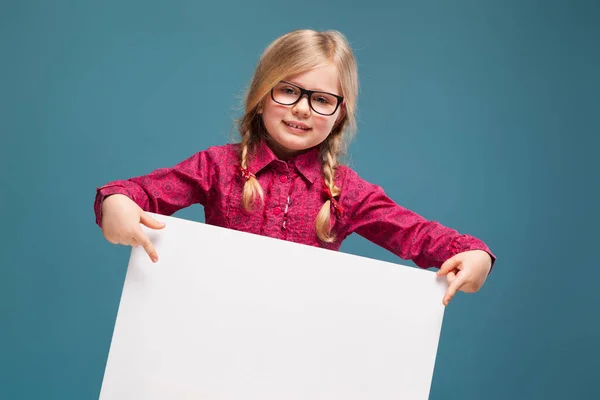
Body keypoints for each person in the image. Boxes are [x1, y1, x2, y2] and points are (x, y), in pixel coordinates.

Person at [94, 29, 496, 306]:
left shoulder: (347, 192)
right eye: (288, 90)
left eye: (322, 99)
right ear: (261, 95)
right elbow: (133, 193)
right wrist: (116, 205)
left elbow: (419, 235)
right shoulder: (216, 166)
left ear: (339, 114)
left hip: (302, 345)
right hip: (214, 328)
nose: (303, 108)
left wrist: (474, 253)